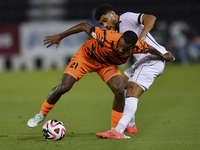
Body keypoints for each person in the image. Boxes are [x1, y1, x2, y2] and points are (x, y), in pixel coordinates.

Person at [27, 22, 173, 131]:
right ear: (120, 37)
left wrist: (164, 55)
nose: (121, 49)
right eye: (121, 45)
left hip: (106, 65)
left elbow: (151, 47)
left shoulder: (137, 46)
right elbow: (84, 26)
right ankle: (41, 114)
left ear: (132, 46)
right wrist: (60, 36)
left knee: (119, 88)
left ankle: (115, 130)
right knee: (64, 87)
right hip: (85, 58)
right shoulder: (107, 36)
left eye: (125, 49)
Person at [94, 4, 175, 138]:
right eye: (102, 23)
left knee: (132, 91)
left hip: (152, 60)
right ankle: (130, 125)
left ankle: (118, 131)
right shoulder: (114, 33)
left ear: (113, 14)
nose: (105, 25)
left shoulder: (125, 18)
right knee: (121, 85)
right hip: (143, 61)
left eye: (105, 20)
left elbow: (150, 18)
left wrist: (142, 36)